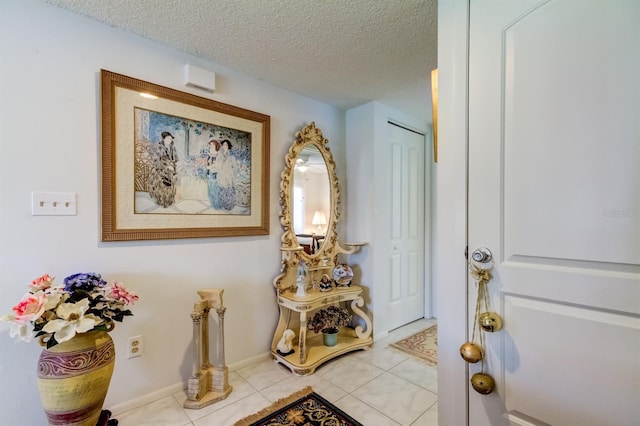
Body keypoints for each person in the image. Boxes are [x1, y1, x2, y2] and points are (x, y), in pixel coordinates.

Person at [149, 131, 179, 208]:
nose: (170, 140)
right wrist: (166, 166)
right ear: (164, 139)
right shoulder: (159, 147)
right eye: (168, 138)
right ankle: (162, 201)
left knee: (170, 186)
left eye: (171, 138)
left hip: (171, 169)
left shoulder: (172, 147)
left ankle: (169, 200)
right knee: (163, 186)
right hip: (161, 170)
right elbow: (156, 160)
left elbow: (176, 158)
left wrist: (173, 166)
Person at [215, 139, 237, 211]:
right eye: (223, 145)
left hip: (228, 176)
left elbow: (235, 167)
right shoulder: (219, 156)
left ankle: (229, 205)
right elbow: (217, 166)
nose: (224, 146)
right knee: (222, 190)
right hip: (221, 175)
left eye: (226, 145)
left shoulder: (231, 157)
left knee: (229, 191)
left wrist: (230, 173)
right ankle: (223, 204)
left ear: (229, 146)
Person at [206, 139, 222, 209]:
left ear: (216, 146)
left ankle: (217, 206)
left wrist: (211, 167)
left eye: (212, 145)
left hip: (215, 175)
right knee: (210, 191)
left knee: (214, 191)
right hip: (209, 174)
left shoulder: (218, 155)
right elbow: (208, 163)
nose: (211, 146)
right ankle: (213, 205)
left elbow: (219, 166)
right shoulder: (210, 154)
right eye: (210, 145)